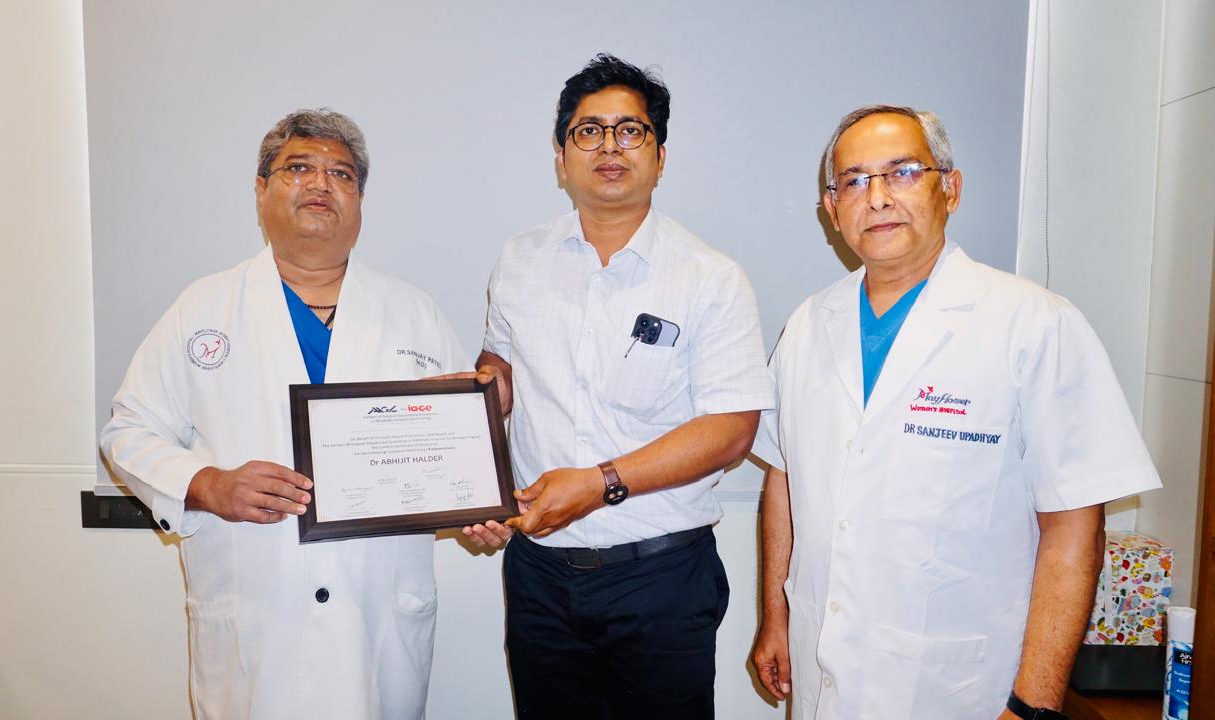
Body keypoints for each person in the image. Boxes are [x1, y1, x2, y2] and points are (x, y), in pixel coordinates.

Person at [750, 105, 1161, 720]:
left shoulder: (1035, 325)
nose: (878, 197)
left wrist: (1033, 706)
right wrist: (776, 617)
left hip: (961, 687)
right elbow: (784, 481)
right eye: (854, 181)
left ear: (951, 188)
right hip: (820, 668)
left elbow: (1074, 529)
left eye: (903, 172)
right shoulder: (807, 327)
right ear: (832, 209)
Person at [100, 108, 469, 719]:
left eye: (341, 174)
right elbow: (128, 430)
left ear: (360, 199)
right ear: (261, 190)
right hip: (255, 619)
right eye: (299, 168)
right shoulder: (204, 308)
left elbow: (457, 451)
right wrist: (208, 485)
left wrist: (472, 506)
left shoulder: (414, 312)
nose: (321, 183)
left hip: (376, 618)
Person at [458, 54, 774, 719]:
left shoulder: (711, 278)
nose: (609, 146)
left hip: (661, 577)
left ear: (660, 157)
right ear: (561, 157)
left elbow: (731, 429)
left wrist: (599, 483)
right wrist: (468, 415)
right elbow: (501, 368)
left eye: (630, 131)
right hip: (540, 574)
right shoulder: (519, 259)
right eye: (588, 131)